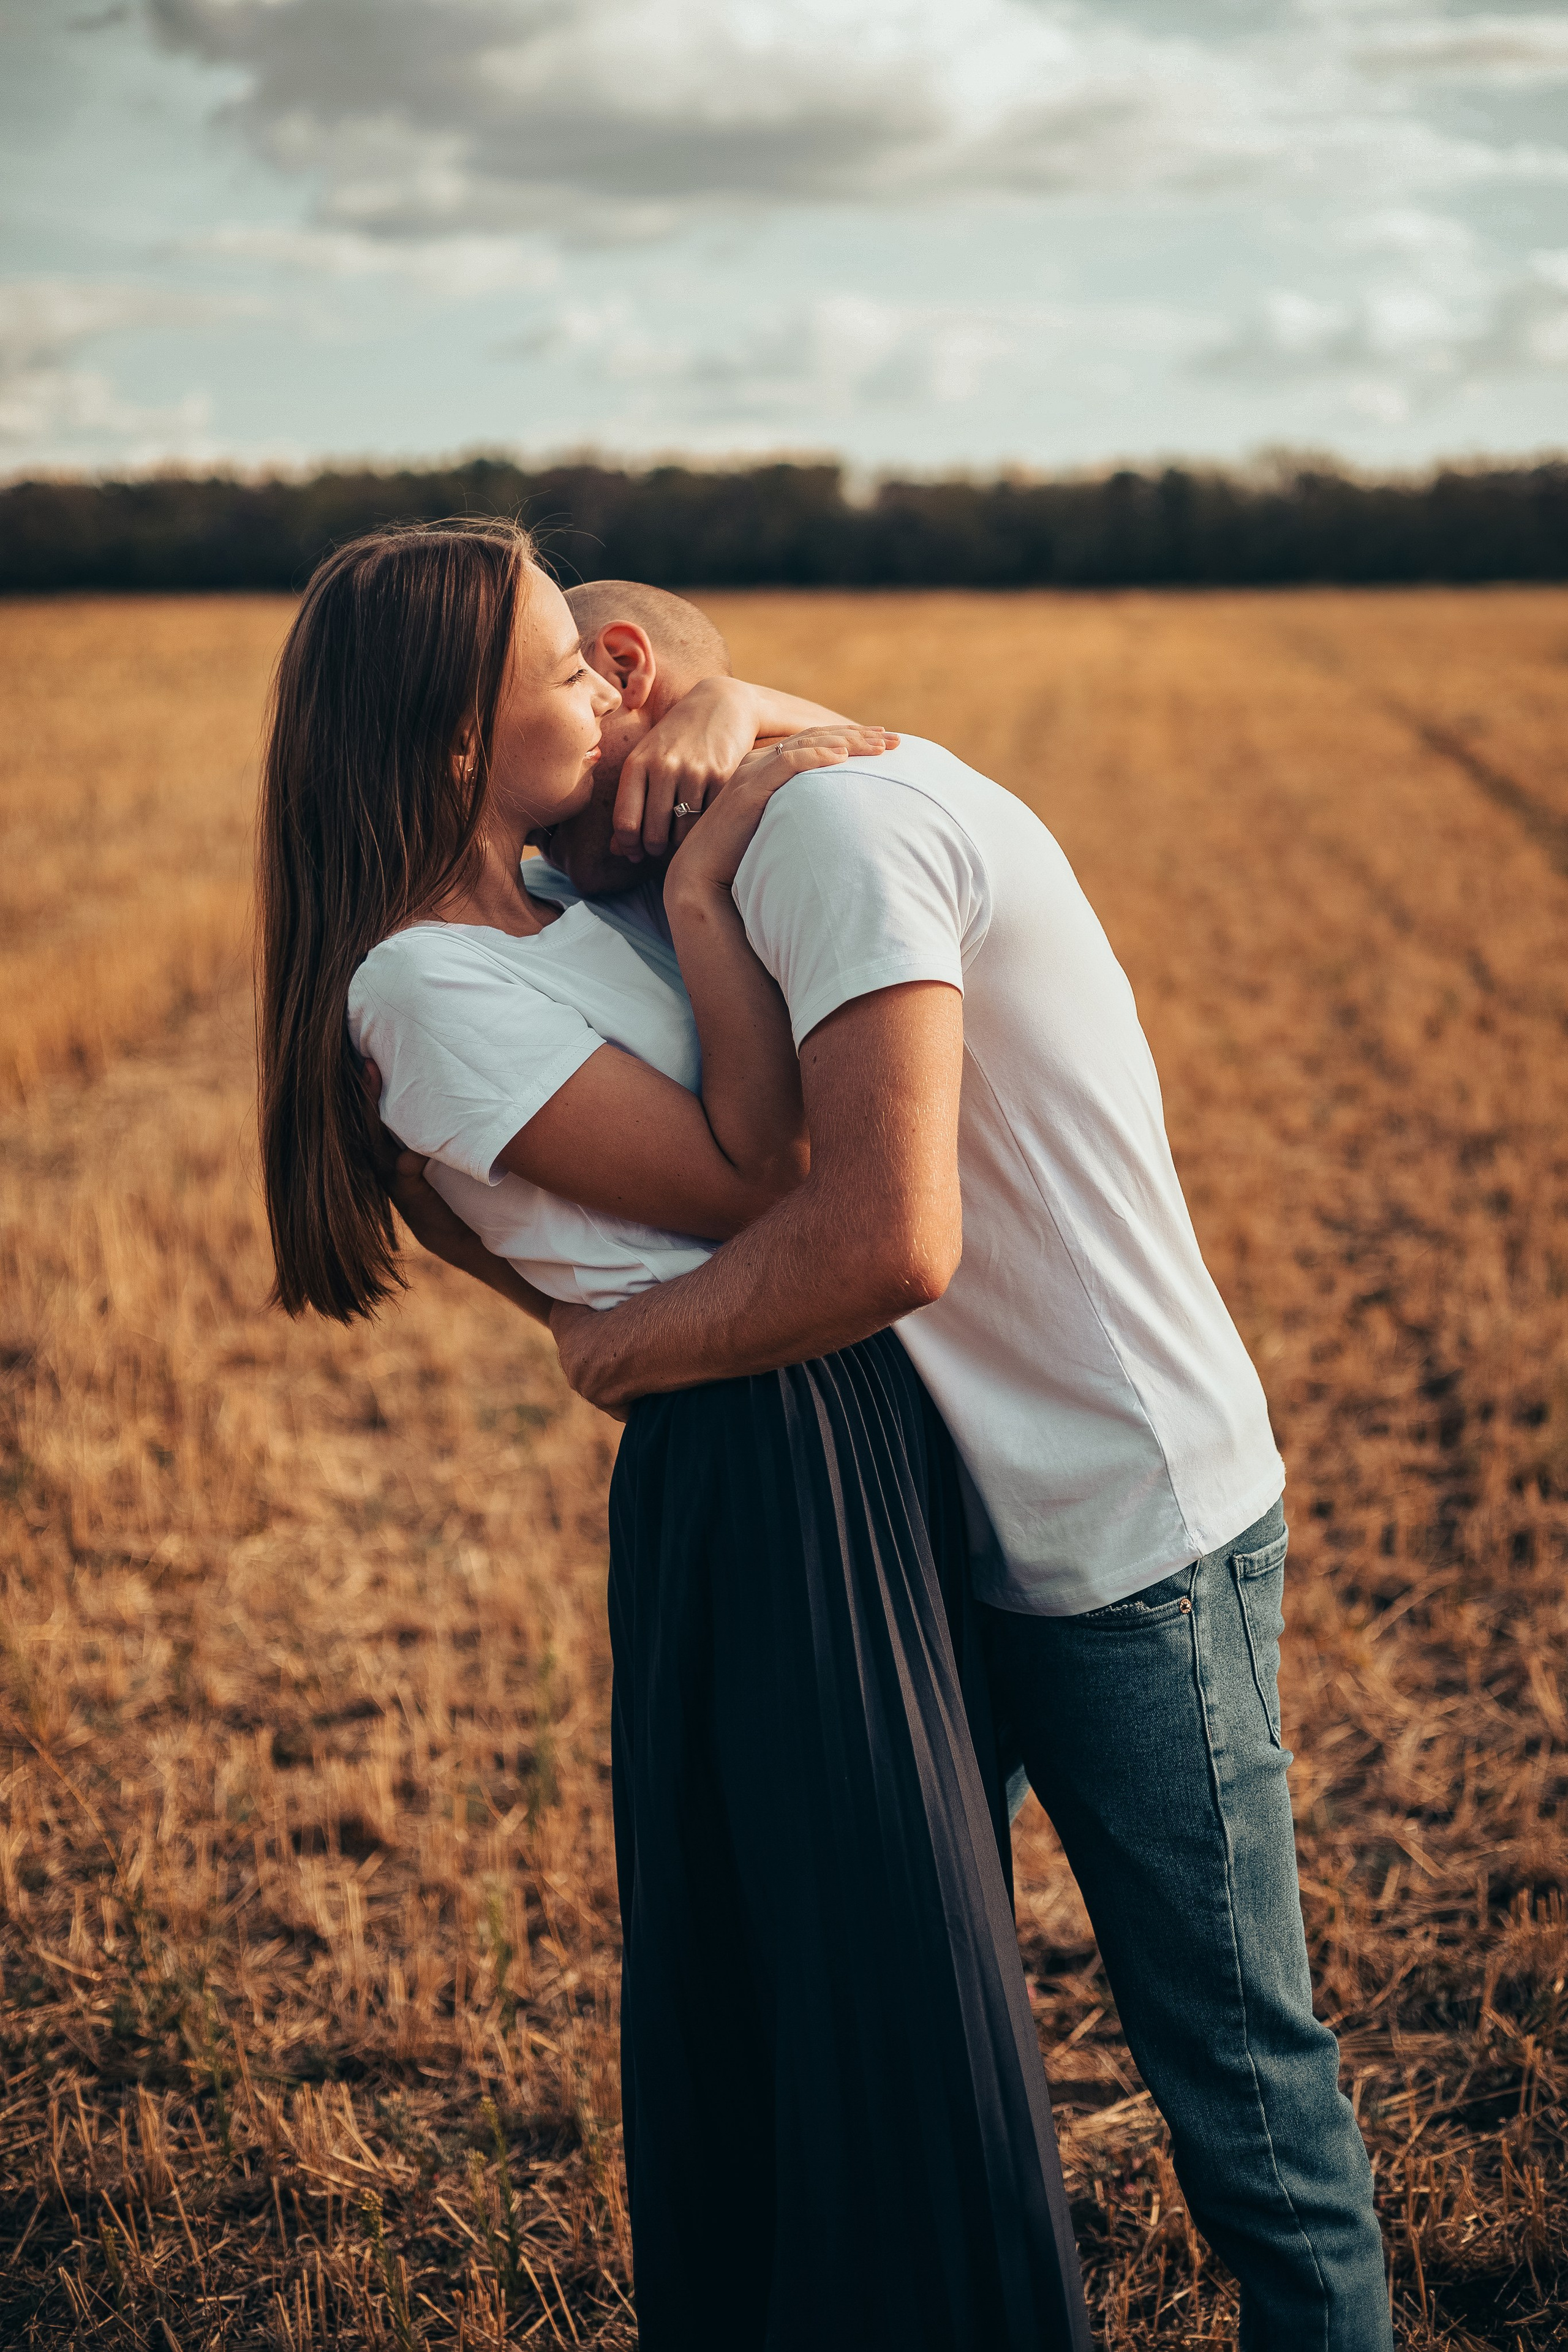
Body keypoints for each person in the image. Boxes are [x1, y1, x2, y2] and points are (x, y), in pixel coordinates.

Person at [394, 575, 1395, 2352]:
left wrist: (622, 1349)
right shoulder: (677, 852)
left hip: (1120, 1529)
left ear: (620, 677)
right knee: (927, 2033)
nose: (545, 854)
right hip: (930, 1526)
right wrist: (742, 716)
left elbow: (882, 1240)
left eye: (573, 690)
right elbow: (461, 1088)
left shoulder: (831, 839)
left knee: (1241, 2086)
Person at [255, 519, 1091, 2352]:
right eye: (563, 670)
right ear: (455, 742)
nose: (604, 683)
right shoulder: (419, 984)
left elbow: (773, 713)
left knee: (896, 1947)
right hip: (762, 1463)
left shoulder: (556, 909)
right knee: (874, 1970)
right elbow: (759, 1174)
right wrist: (712, 894)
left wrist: (727, 711)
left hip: (832, 1420)